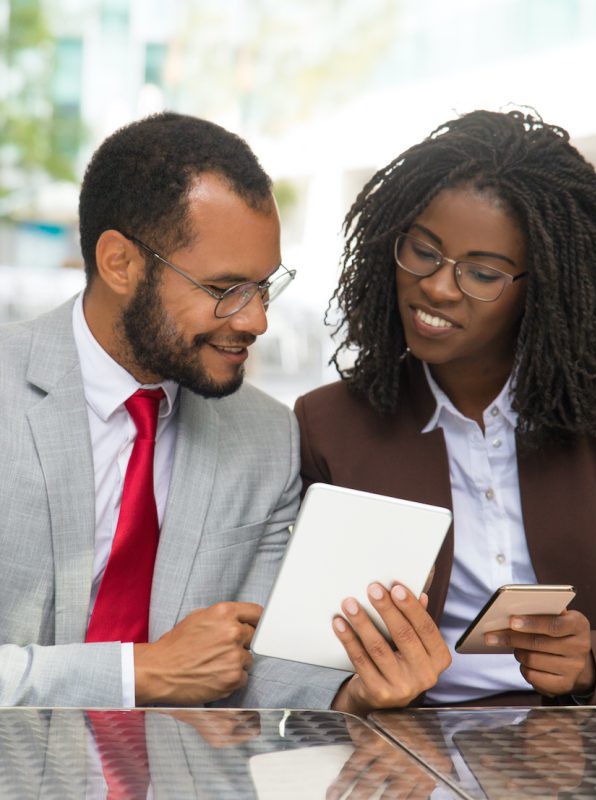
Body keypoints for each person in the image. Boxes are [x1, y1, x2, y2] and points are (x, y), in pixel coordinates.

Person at [0, 111, 344, 709]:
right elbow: (170, 671)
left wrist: (352, 694)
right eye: (225, 289)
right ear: (120, 264)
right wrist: (137, 673)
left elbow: (250, 666)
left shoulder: (265, 436)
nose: (256, 319)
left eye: (265, 286)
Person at [295, 109, 596, 714]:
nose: (437, 287)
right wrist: (351, 695)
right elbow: (292, 653)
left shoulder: (591, 420)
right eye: (424, 252)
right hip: (405, 746)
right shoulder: (326, 425)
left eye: (482, 273)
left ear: (543, 289)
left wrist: (590, 660)